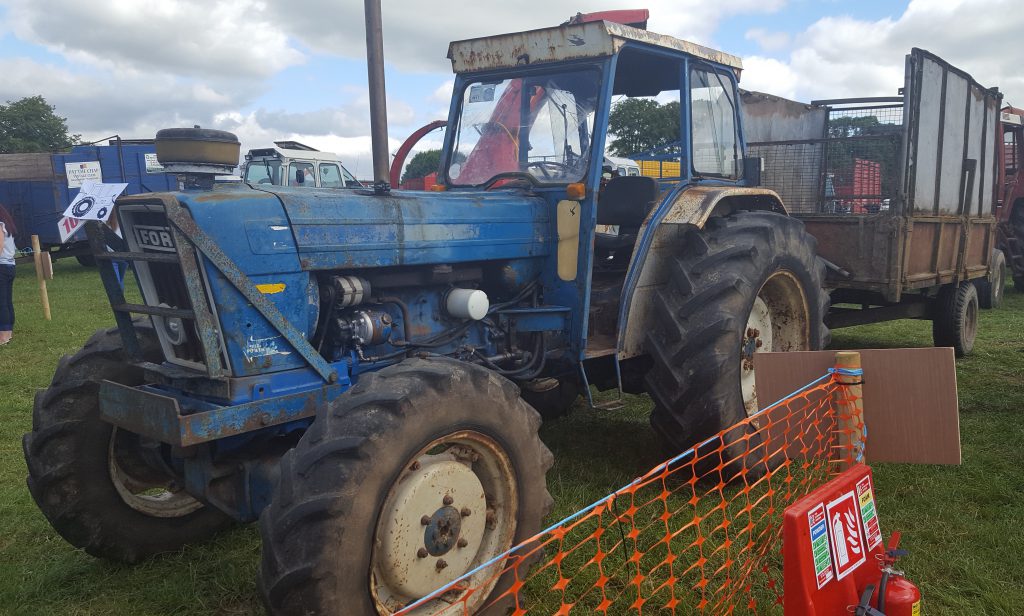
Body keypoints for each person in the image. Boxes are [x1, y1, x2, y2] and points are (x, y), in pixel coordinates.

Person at [0, 203, 16, 345]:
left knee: (2, 302)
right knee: (6, 301)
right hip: (9, 265)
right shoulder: (6, 223)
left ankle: (4, 336)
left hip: (1, 266)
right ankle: (8, 332)